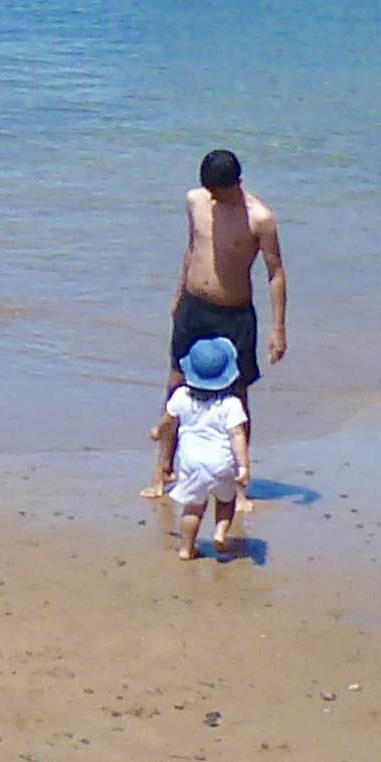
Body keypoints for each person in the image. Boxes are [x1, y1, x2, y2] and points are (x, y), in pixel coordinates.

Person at [171, 148, 286, 428]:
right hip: (194, 305)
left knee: (236, 396)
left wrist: (278, 329)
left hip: (233, 314)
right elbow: (192, 249)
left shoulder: (260, 219)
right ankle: (164, 466)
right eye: (208, 189)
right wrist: (178, 297)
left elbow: (275, 273)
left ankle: (240, 469)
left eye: (218, 191)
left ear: (236, 183)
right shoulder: (195, 200)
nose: (212, 197)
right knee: (177, 384)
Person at [149, 331, 252, 558]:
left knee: (193, 507)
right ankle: (220, 532)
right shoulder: (231, 404)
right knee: (226, 500)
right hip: (221, 462)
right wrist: (243, 467)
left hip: (191, 461)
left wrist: (157, 430)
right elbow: (237, 435)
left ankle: (186, 548)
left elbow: (169, 419)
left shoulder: (181, 396)